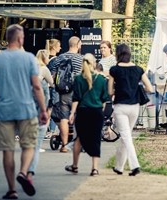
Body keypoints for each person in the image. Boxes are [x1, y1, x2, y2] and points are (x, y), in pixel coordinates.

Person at [0, 24, 48, 199]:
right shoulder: (29, 58)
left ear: (7, 38)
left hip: (4, 111)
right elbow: (37, 86)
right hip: (26, 109)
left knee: (8, 150)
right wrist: (43, 110)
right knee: (28, 145)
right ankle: (22, 172)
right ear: (20, 39)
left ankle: (12, 189)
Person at [109, 43, 153, 176]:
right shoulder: (138, 69)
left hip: (120, 106)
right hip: (134, 107)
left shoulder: (114, 70)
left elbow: (110, 91)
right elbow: (150, 88)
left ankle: (135, 165)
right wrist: (137, 88)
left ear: (117, 54)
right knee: (125, 137)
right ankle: (119, 167)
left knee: (126, 136)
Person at [64, 54, 110, 176]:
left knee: (79, 139)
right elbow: (104, 98)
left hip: (83, 112)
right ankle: (94, 168)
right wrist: (101, 111)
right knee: (96, 139)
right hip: (97, 112)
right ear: (94, 63)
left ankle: (75, 166)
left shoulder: (79, 79)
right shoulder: (101, 79)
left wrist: (72, 113)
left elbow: (76, 98)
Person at [48, 36, 84, 153]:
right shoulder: (81, 59)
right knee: (78, 118)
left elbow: (52, 75)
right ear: (78, 44)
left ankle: (64, 145)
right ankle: (77, 145)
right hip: (77, 93)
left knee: (63, 118)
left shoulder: (59, 58)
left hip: (62, 93)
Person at [29, 49, 55, 177]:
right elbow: (52, 83)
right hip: (41, 98)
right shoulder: (44, 69)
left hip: (29, 97)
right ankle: (37, 145)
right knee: (43, 120)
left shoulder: (32, 67)